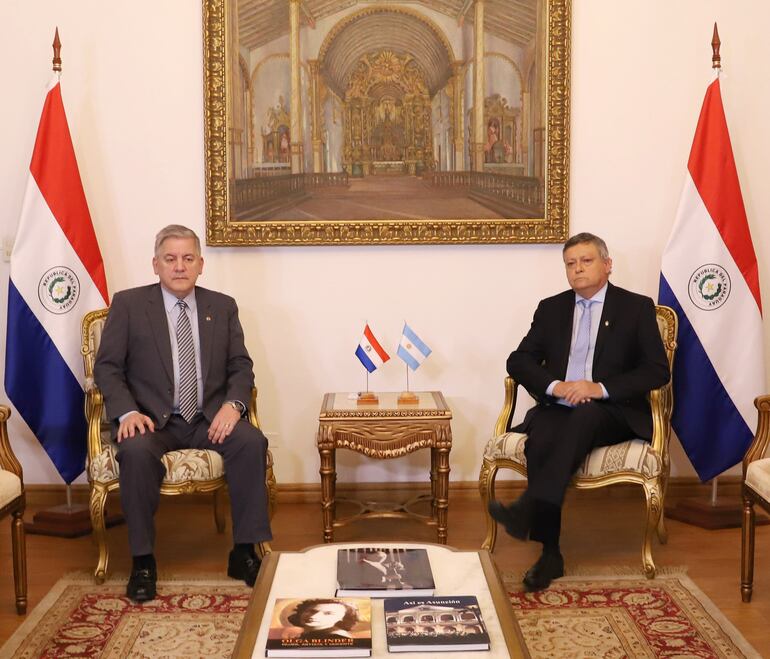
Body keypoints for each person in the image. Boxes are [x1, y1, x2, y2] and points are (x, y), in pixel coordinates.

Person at [94, 224, 272, 603]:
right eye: (170, 259)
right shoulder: (128, 305)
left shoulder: (221, 306)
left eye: (188, 258)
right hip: (149, 419)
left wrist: (233, 405)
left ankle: (244, 552)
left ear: (201, 264)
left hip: (207, 418)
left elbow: (241, 365)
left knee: (250, 441)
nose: (179, 266)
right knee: (136, 452)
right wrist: (125, 413)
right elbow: (107, 368)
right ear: (155, 264)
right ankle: (143, 562)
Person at [489, 232, 669, 591]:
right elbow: (518, 360)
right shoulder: (552, 308)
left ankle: (528, 507)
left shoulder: (636, 308)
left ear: (607, 265)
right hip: (559, 406)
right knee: (540, 441)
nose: (577, 269)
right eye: (570, 263)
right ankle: (550, 554)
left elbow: (656, 370)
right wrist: (557, 386)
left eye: (586, 261)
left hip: (612, 410)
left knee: (586, 414)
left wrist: (597, 389)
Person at [287, 598, 361, 640]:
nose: (314, 616)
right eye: (311, 611)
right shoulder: (304, 634)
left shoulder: (337, 637)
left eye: (328, 613)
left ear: (342, 618)